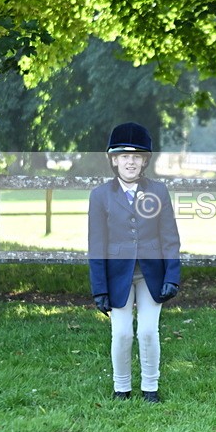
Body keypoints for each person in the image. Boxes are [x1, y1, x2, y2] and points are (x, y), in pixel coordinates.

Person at [88, 122, 181, 403]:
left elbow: (170, 238)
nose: (130, 161)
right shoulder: (100, 195)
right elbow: (96, 245)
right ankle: (121, 387)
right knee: (122, 332)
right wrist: (99, 289)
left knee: (149, 331)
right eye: (124, 156)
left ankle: (150, 387)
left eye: (136, 156)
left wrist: (172, 277)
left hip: (152, 274)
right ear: (114, 160)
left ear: (144, 161)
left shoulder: (159, 191)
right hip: (117, 275)